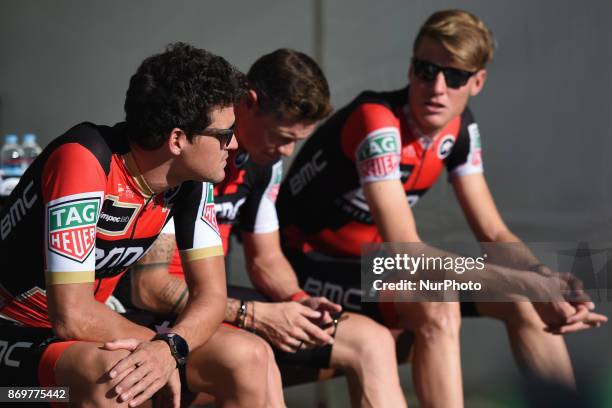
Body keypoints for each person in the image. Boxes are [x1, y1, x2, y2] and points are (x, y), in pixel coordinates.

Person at [276, 9, 607, 408]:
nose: (436, 88)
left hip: (374, 266)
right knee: (440, 304)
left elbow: (495, 234)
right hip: (308, 264)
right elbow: (406, 251)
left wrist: (543, 278)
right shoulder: (377, 121)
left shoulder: (461, 128)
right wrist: (529, 284)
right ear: (410, 68)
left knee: (520, 300)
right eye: (424, 70)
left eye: (454, 77)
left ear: (477, 82)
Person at [122, 48, 408, 408]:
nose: (287, 151)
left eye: (296, 141)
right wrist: (253, 314)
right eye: (283, 135)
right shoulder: (184, 159)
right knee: (254, 359)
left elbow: (266, 259)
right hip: (154, 312)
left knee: (372, 340)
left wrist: (297, 302)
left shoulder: (263, 161)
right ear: (249, 102)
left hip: (212, 302)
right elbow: (149, 288)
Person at [0, 42, 264, 407]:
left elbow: (215, 295)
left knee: (248, 356)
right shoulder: (85, 159)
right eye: (224, 135)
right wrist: (160, 351)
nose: (235, 144)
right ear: (177, 140)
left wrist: (170, 348)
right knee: (115, 377)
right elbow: (72, 316)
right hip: (16, 336)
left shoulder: (198, 174)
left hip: (84, 328)